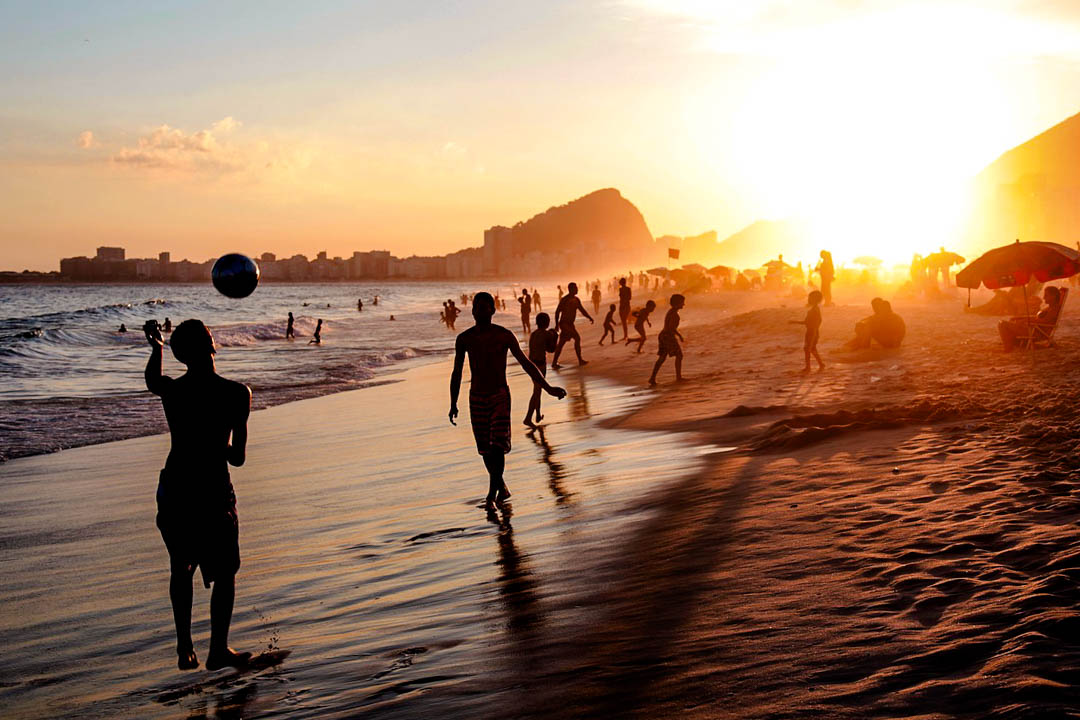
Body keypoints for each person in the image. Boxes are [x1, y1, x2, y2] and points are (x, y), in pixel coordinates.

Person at [143, 319, 252, 671]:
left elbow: (152, 382)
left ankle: (185, 647)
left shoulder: (174, 392)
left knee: (181, 567)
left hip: (176, 486)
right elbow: (237, 457)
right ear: (213, 343)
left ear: (181, 354)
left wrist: (156, 347)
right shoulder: (237, 393)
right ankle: (218, 649)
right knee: (225, 572)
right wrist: (215, 444)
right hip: (213, 489)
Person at [449, 293, 566, 509]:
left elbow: (526, 364)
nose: (482, 312)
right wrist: (453, 403)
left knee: (497, 447)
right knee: (484, 449)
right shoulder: (465, 339)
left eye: (486, 308)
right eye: (478, 308)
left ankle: (491, 495)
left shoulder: (504, 336)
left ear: (493, 311)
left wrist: (548, 388)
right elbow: (456, 372)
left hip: (500, 396)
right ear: (473, 311)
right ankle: (500, 485)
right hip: (476, 397)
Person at [998, 285, 1063, 352]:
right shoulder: (1050, 307)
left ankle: (1008, 348)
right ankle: (1012, 344)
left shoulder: (1054, 309)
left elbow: (1044, 321)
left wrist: (1025, 320)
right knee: (1011, 321)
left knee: (1002, 324)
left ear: (1054, 296)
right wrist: (1020, 318)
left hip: (1036, 332)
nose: (1043, 298)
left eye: (1046, 295)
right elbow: (1037, 318)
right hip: (1033, 329)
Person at [524, 312, 558, 427]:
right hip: (540, 365)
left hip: (531, 365)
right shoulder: (546, 334)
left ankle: (535, 415)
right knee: (537, 391)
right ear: (546, 323)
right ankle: (530, 417)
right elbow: (551, 350)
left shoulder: (533, 334)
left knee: (537, 390)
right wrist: (555, 337)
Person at [551, 282, 594, 369]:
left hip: (570, 324)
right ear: (571, 289)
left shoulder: (576, 300)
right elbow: (557, 311)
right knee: (576, 338)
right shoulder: (564, 299)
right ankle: (580, 360)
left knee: (562, 343)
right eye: (575, 288)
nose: (577, 289)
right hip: (564, 323)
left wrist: (589, 317)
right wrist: (556, 324)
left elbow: (582, 310)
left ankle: (554, 362)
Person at [648, 294, 686, 386]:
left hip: (663, 335)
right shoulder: (675, 315)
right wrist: (679, 335)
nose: (684, 304)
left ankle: (652, 378)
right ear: (677, 303)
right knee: (679, 355)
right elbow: (671, 328)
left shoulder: (671, 311)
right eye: (682, 302)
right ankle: (678, 377)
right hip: (668, 336)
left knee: (662, 358)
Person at [791, 290, 825, 372]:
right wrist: (794, 322)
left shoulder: (815, 310)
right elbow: (807, 322)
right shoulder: (814, 309)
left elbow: (816, 323)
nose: (808, 299)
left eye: (810, 298)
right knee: (812, 349)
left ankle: (808, 367)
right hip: (811, 332)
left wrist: (813, 335)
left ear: (815, 299)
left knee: (808, 349)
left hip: (812, 332)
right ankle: (820, 364)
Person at [617, 277, 632, 341]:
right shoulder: (628, 289)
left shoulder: (621, 289)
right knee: (624, 321)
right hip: (626, 306)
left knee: (624, 321)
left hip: (623, 306)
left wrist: (624, 301)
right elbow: (629, 298)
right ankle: (625, 335)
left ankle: (625, 335)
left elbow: (622, 298)